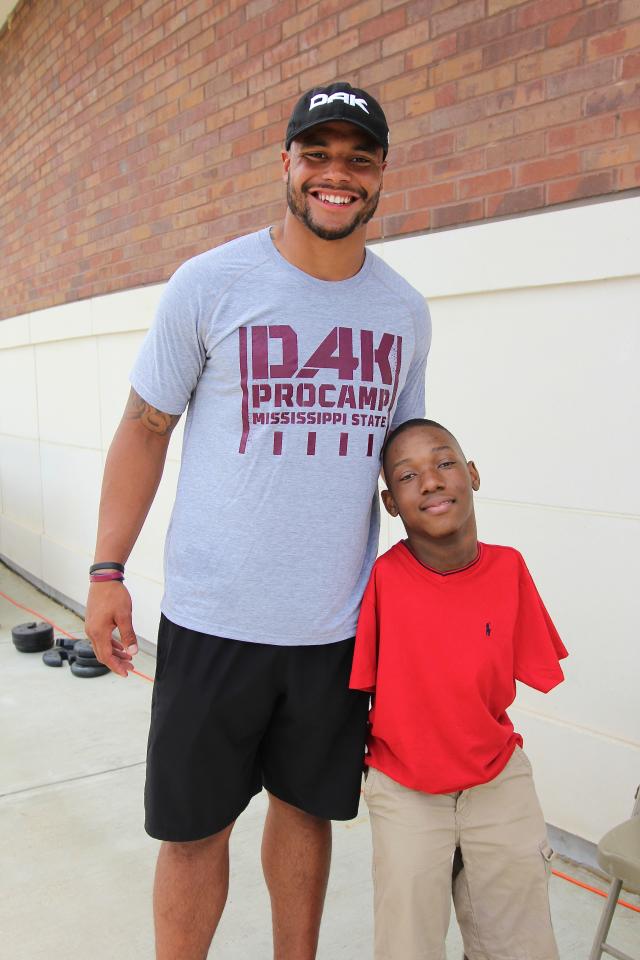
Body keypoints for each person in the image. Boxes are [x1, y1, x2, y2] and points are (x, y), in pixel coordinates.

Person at [85, 82, 431, 960]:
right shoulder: (211, 284)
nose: (335, 176)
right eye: (316, 155)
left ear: (383, 174)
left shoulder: (403, 312)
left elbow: (404, 460)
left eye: (358, 158)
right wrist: (106, 571)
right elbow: (144, 427)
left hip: (334, 628)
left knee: (306, 813)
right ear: (286, 163)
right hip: (213, 621)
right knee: (194, 831)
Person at [349, 418, 567, 960]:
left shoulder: (509, 568)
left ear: (471, 474)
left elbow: (523, 669)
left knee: (522, 943)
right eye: (408, 475)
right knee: (408, 944)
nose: (430, 481)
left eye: (444, 463)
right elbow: (357, 691)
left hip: (496, 780)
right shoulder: (383, 581)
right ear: (391, 502)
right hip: (406, 786)